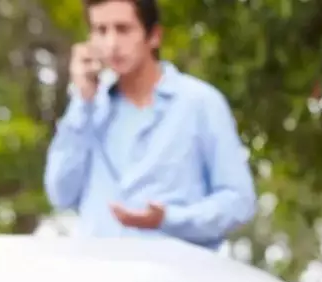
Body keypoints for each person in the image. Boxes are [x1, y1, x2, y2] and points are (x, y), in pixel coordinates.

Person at [43, 0, 256, 251]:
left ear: (153, 36)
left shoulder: (199, 103)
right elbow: (60, 194)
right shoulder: (89, 109)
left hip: (178, 281)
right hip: (102, 279)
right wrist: (83, 102)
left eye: (123, 29)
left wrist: (169, 218)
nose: (111, 44)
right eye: (101, 30)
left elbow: (239, 202)